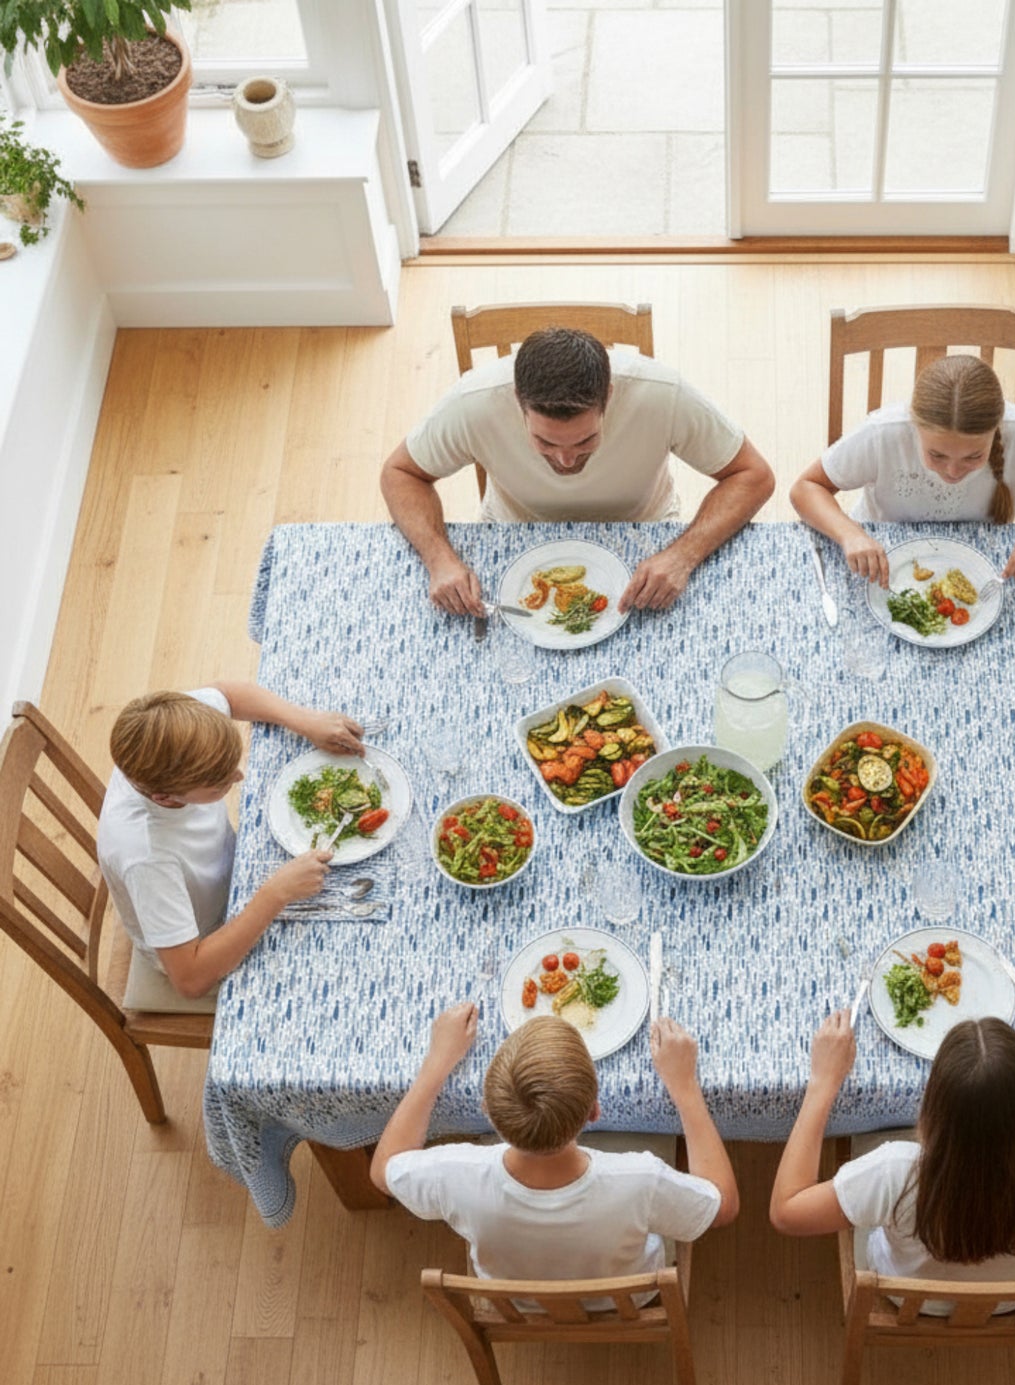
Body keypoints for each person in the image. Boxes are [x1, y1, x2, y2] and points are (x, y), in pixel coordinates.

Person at [769, 1001, 1015, 1301]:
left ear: (930, 1112)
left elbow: (787, 1212)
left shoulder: (892, 1173)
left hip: (906, 1295)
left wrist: (822, 1083)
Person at [380, 327, 775, 615]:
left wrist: (682, 556)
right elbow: (400, 472)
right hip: (512, 538)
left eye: (584, 441)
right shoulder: (474, 402)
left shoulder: (661, 393)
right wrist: (439, 559)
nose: (566, 461)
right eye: (546, 443)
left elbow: (753, 474)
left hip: (647, 543)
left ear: (609, 397)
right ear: (518, 402)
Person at [371, 1007, 740, 1291]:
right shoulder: (642, 1179)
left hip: (515, 1294)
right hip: (627, 1293)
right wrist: (686, 1088)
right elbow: (723, 1206)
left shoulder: (453, 1170)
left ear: (487, 1111)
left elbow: (384, 1170)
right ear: (595, 1111)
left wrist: (436, 1063)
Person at [98, 684, 363, 1002]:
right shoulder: (147, 858)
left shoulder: (172, 728)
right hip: (207, 939)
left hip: (232, 873)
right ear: (164, 798)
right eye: (219, 783)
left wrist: (304, 720)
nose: (239, 777)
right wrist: (274, 895)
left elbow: (229, 695)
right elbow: (191, 981)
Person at [790, 354, 1015, 585]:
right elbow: (806, 488)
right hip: (880, 559)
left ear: (997, 430)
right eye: (936, 455)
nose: (952, 472)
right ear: (914, 426)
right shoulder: (884, 432)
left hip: (984, 563)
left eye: (973, 457)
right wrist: (850, 535)